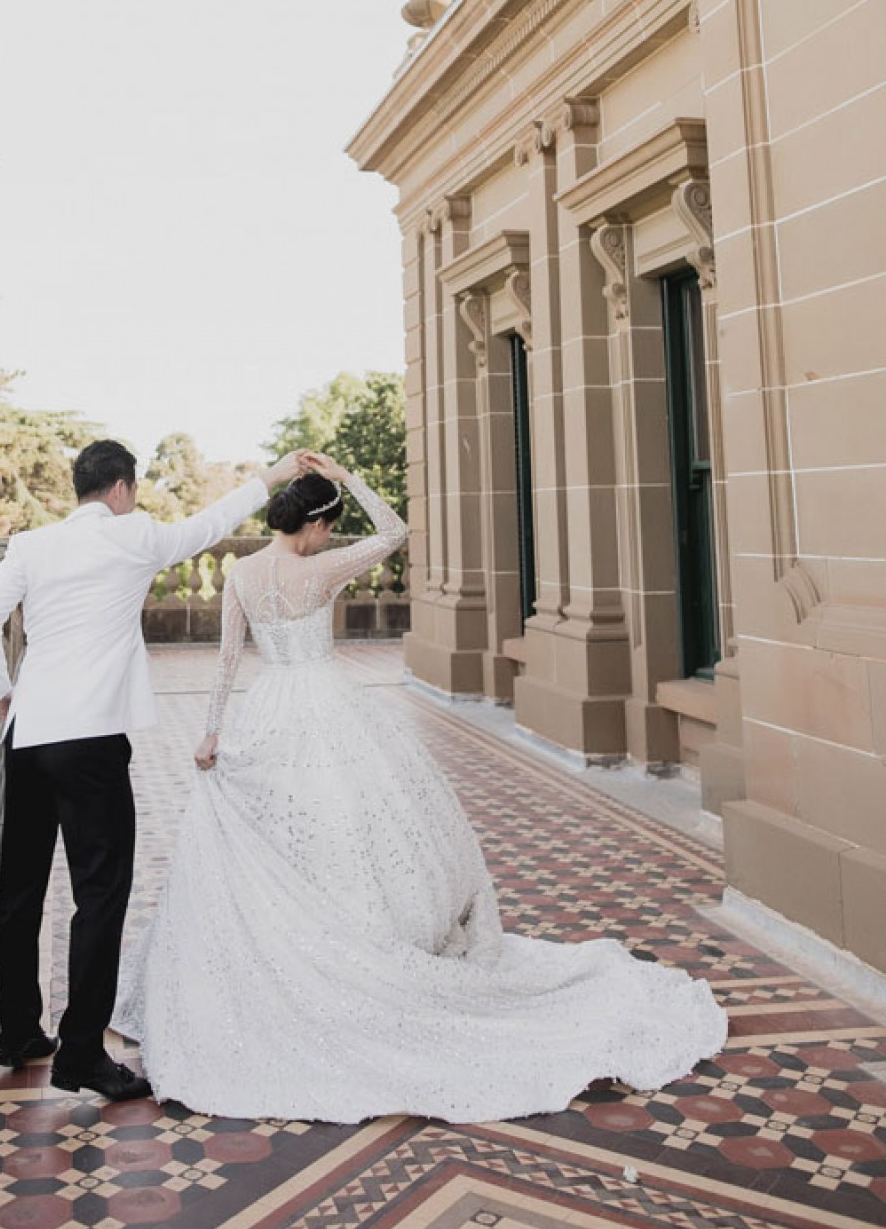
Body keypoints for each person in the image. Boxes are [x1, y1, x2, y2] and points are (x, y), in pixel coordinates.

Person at [115, 451, 728, 1123]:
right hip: (327, 705)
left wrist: (211, 730)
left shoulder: (242, 572)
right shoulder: (321, 567)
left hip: (268, 707)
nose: (328, 536)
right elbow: (396, 531)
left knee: (294, 832)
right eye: (328, 525)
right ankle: (365, 942)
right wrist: (351, 479)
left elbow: (229, 656)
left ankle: (308, 941)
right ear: (315, 525)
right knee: (353, 827)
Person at [0, 436, 304, 1102]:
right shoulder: (135, 536)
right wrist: (272, 476)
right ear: (121, 488)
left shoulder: (31, 544)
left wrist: (0, 693)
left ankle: (18, 1030)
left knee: (21, 888)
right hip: (90, 740)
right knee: (99, 893)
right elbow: (211, 523)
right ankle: (82, 1053)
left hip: (27, 734)